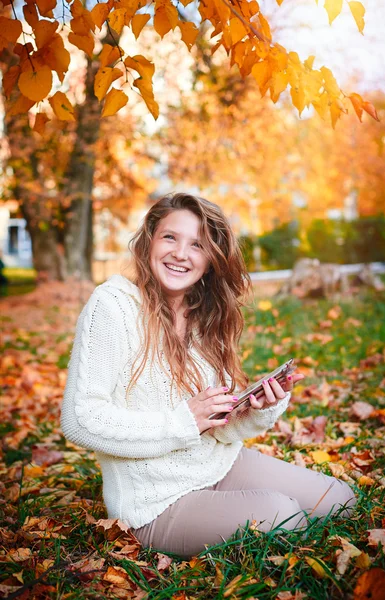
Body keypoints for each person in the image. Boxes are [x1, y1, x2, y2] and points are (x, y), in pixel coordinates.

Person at [61, 193, 356, 558]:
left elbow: (217, 426)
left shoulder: (204, 315)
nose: (181, 253)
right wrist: (183, 422)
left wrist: (256, 408)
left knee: (341, 501)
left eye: (197, 245)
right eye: (170, 237)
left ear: (211, 259)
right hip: (157, 502)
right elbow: (80, 420)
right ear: (149, 240)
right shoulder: (113, 305)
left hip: (219, 465)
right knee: (285, 516)